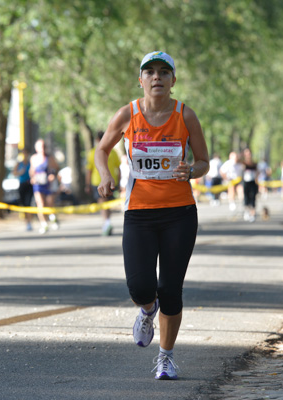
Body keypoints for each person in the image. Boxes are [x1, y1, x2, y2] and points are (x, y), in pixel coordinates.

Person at [94, 51, 209, 380]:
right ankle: (146, 310)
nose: (157, 77)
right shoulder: (127, 114)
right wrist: (105, 176)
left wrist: (192, 171)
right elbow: (102, 149)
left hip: (180, 213)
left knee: (171, 289)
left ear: (173, 81)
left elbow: (204, 161)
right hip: (139, 212)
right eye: (150, 72)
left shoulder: (185, 116)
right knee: (141, 286)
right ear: (141, 80)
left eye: (164, 72)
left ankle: (166, 357)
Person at [86, 131, 121, 236]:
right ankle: (107, 222)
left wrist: (87, 185)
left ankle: (106, 222)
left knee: (104, 203)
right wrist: (119, 181)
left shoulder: (93, 152)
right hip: (111, 181)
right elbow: (118, 169)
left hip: (98, 181)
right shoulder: (113, 152)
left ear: (97, 139)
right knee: (106, 203)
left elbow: (89, 170)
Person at [30, 139, 60, 234]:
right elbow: (31, 171)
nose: (42, 148)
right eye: (40, 146)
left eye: (43, 146)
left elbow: (56, 168)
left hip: (48, 184)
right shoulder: (34, 158)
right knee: (40, 204)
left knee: (50, 202)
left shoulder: (49, 158)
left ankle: (52, 217)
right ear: (36, 148)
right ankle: (44, 223)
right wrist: (32, 178)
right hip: (38, 184)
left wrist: (53, 175)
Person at [14, 149, 34, 231]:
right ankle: (26, 221)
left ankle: (29, 222)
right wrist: (20, 172)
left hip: (29, 184)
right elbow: (14, 173)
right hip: (22, 184)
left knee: (28, 203)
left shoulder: (31, 163)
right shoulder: (19, 164)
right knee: (23, 204)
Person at [241, 148, 258, 222]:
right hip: (245, 182)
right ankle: (247, 212)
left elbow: (257, 172)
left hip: (253, 182)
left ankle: (253, 213)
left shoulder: (254, 164)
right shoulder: (243, 163)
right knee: (246, 197)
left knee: (253, 197)